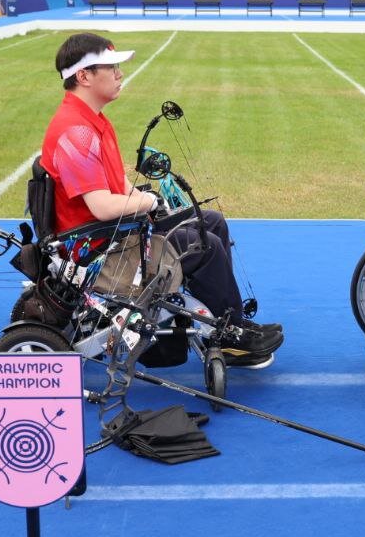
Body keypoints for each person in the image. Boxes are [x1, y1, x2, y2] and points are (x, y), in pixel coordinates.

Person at [41, 32, 283, 366]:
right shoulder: (77, 130)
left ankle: (228, 323)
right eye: (110, 67)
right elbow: (102, 207)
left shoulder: (92, 121)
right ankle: (232, 336)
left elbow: (119, 188)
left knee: (209, 220)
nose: (119, 73)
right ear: (83, 76)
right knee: (205, 244)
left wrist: (144, 199)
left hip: (111, 235)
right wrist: (147, 203)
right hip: (100, 252)